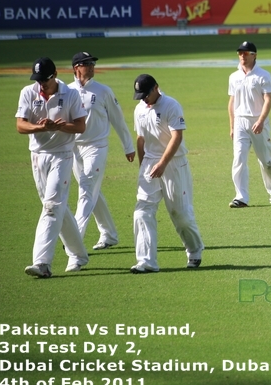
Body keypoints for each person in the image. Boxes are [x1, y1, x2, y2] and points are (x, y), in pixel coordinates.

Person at [17, 57, 89, 278]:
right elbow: (20, 124)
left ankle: (42, 263)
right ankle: (78, 254)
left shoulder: (70, 94)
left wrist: (61, 127)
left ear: (55, 75)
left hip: (62, 155)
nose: (42, 85)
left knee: (51, 205)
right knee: (57, 207)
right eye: (38, 80)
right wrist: (40, 128)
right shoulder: (28, 92)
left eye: (45, 80)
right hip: (38, 156)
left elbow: (80, 126)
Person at [131, 74, 205, 273]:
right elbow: (141, 138)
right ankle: (146, 261)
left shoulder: (171, 105)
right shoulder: (139, 109)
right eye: (140, 96)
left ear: (156, 88)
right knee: (142, 211)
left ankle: (195, 250)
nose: (144, 99)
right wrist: (143, 166)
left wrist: (163, 163)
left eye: (146, 94)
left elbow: (177, 136)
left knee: (179, 213)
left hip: (174, 163)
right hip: (149, 164)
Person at [67, 52, 135, 250]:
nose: (91, 66)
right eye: (87, 63)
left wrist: (128, 146)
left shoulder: (103, 91)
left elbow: (118, 119)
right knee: (92, 191)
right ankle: (109, 234)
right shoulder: (67, 91)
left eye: (92, 63)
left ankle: (75, 238)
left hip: (97, 146)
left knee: (86, 189)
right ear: (76, 68)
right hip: (74, 149)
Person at [227, 41, 271, 208]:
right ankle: (241, 196)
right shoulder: (233, 76)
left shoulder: (263, 75)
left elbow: (268, 100)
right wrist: (232, 125)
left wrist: (260, 120)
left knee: (266, 161)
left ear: (254, 55)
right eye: (240, 53)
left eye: (246, 53)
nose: (242, 56)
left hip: (259, 121)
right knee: (239, 158)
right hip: (240, 122)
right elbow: (231, 102)